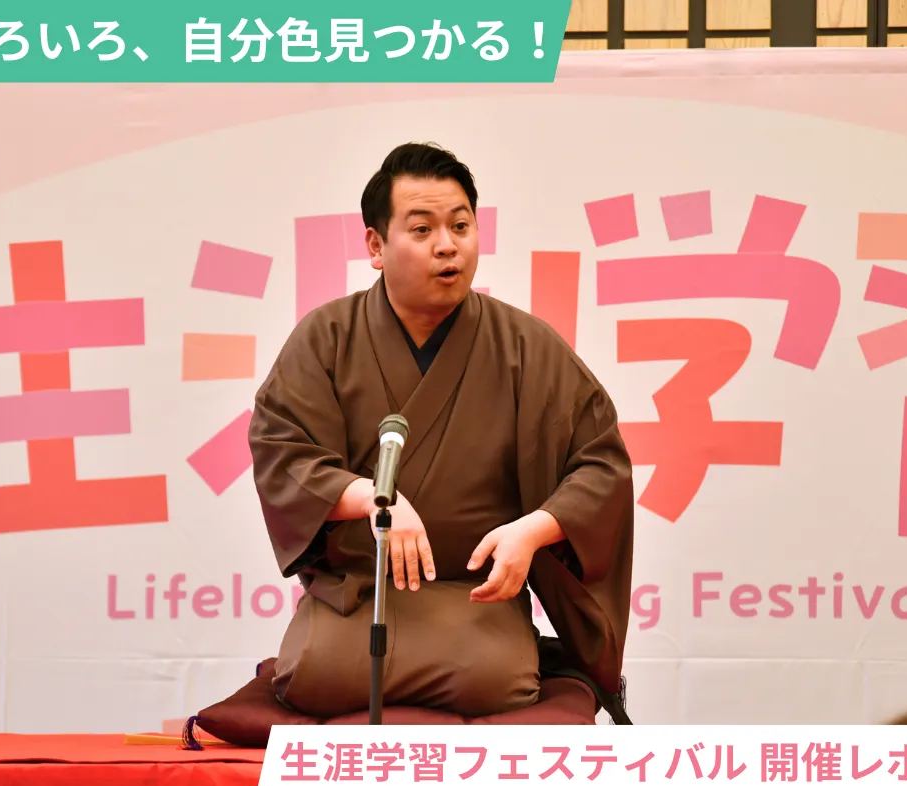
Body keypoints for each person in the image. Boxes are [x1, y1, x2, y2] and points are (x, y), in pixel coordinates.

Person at [248, 142, 635, 720]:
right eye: (422, 229)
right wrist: (372, 498)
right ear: (376, 246)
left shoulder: (525, 348)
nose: (448, 245)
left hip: (475, 595)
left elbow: (600, 464)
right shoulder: (327, 338)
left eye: (460, 225)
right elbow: (284, 452)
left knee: (496, 682)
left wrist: (532, 531)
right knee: (314, 675)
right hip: (359, 593)